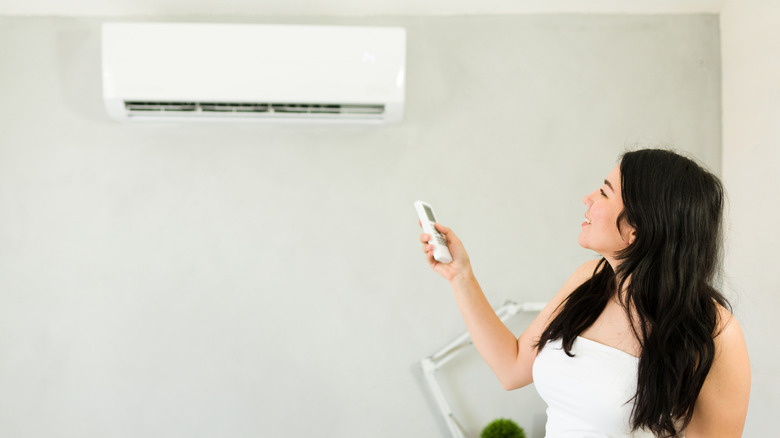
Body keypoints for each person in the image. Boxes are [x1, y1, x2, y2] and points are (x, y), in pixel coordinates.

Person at [419, 149, 750, 437]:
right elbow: (512, 367)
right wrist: (460, 275)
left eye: (605, 193)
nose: (587, 198)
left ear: (637, 227)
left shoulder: (715, 331)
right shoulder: (588, 280)